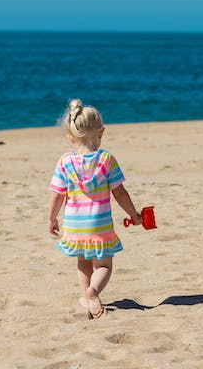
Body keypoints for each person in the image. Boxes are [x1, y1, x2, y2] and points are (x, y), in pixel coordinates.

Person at [48, 99, 142, 318]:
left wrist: (51, 218)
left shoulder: (64, 162)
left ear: (70, 136)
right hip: (99, 224)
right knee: (105, 266)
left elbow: (57, 195)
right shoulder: (106, 159)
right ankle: (94, 291)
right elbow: (120, 193)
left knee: (83, 261)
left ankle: (87, 296)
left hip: (74, 224)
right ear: (101, 132)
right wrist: (133, 215)